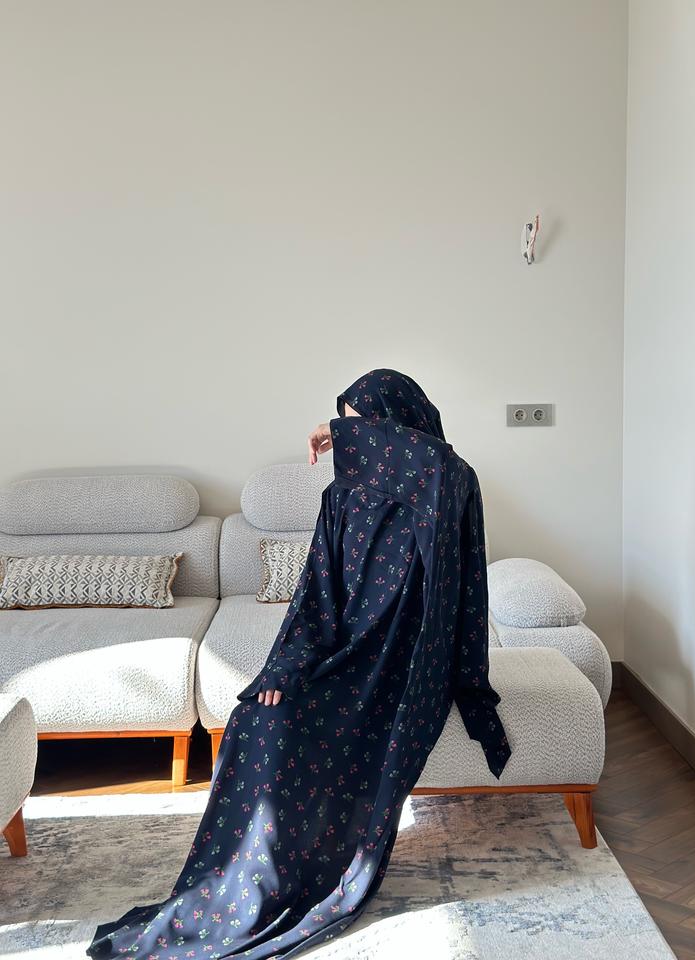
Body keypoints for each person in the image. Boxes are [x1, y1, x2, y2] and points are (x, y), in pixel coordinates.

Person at [87, 368, 511, 960]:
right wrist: (285, 669)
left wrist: (338, 430)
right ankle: (251, 886)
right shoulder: (341, 497)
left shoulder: (447, 486)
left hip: (412, 656)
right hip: (346, 650)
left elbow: (435, 463)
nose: (353, 441)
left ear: (399, 427)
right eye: (348, 428)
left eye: (365, 428)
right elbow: (315, 598)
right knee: (260, 720)